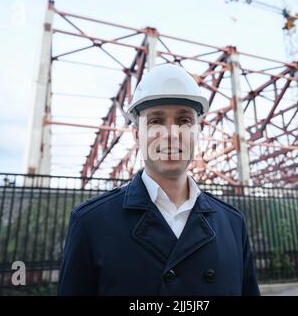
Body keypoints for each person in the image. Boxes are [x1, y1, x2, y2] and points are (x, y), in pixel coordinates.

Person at [57, 64, 260, 296]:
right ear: (136, 135)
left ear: (197, 132)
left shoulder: (233, 224)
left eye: (184, 121)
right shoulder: (91, 223)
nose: (171, 134)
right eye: (156, 121)